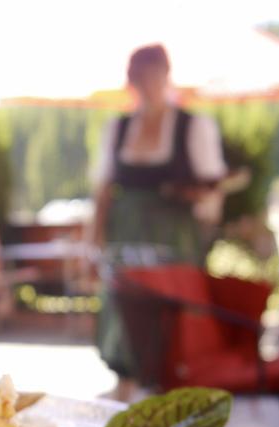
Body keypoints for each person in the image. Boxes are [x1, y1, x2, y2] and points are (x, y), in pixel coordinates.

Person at [89, 44, 227, 390]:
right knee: (125, 306)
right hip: (126, 233)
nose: (145, 84)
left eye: (151, 75)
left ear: (165, 75)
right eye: (138, 77)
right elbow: (104, 189)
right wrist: (93, 240)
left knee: (170, 313)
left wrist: (194, 198)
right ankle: (126, 386)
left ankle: (172, 386)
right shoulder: (118, 128)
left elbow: (212, 192)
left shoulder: (193, 126)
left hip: (174, 236)